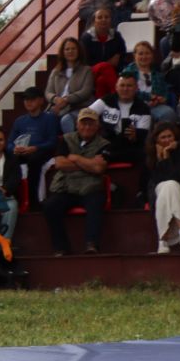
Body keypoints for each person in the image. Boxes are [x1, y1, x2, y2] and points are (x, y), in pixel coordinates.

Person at [42, 108, 109, 255]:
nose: (87, 127)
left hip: (91, 187)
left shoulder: (104, 144)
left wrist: (75, 158)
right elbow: (60, 164)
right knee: (50, 206)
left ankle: (92, 244)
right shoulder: (65, 139)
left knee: (96, 203)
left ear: (97, 126)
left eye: (91, 124)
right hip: (66, 187)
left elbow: (98, 169)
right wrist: (89, 163)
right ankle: (61, 247)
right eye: (83, 124)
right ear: (77, 125)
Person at [144, 121, 180, 253]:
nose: (167, 140)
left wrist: (166, 156)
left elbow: (175, 176)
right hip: (159, 194)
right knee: (167, 186)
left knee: (171, 184)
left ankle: (162, 240)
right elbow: (157, 180)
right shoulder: (151, 154)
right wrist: (159, 157)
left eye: (170, 136)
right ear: (156, 139)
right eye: (163, 137)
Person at [9, 85, 61, 199]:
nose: (28, 102)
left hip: (41, 152)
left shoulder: (50, 118)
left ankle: (33, 199)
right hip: (22, 152)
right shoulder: (19, 121)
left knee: (34, 160)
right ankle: (13, 196)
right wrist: (14, 148)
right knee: (10, 159)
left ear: (41, 101)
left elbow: (52, 142)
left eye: (32, 99)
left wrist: (35, 148)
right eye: (26, 99)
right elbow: (9, 143)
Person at [95, 74, 152, 166]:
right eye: (122, 85)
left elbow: (143, 135)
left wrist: (135, 135)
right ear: (116, 87)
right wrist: (96, 125)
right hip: (105, 142)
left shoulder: (143, 108)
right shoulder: (106, 101)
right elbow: (86, 114)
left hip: (129, 146)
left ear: (136, 88)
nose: (125, 89)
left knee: (144, 155)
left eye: (129, 86)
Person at [123, 39, 174, 122]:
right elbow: (127, 92)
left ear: (152, 55)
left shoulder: (157, 73)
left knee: (169, 113)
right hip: (134, 105)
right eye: (140, 54)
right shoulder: (127, 72)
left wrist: (160, 99)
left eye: (147, 53)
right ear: (134, 55)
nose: (144, 57)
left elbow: (165, 90)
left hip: (155, 106)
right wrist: (149, 97)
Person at [46, 36, 94, 122]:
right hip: (58, 106)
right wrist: (56, 99)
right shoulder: (56, 71)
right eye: (67, 49)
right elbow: (48, 92)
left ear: (78, 51)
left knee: (66, 120)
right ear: (63, 52)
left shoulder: (86, 70)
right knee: (47, 118)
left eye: (73, 49)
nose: (70, 51)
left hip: (78, 107)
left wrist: (67, 99)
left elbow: (86, 91)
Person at [82, 7, 127, 71]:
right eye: (100, 17)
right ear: (94, 21)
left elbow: (121, 57)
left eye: (106, 17)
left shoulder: (117, 36)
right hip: (92, 73)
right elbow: (86, 62)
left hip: (113, 72)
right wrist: (107, 63)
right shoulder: (86, 38)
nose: (103, 20)